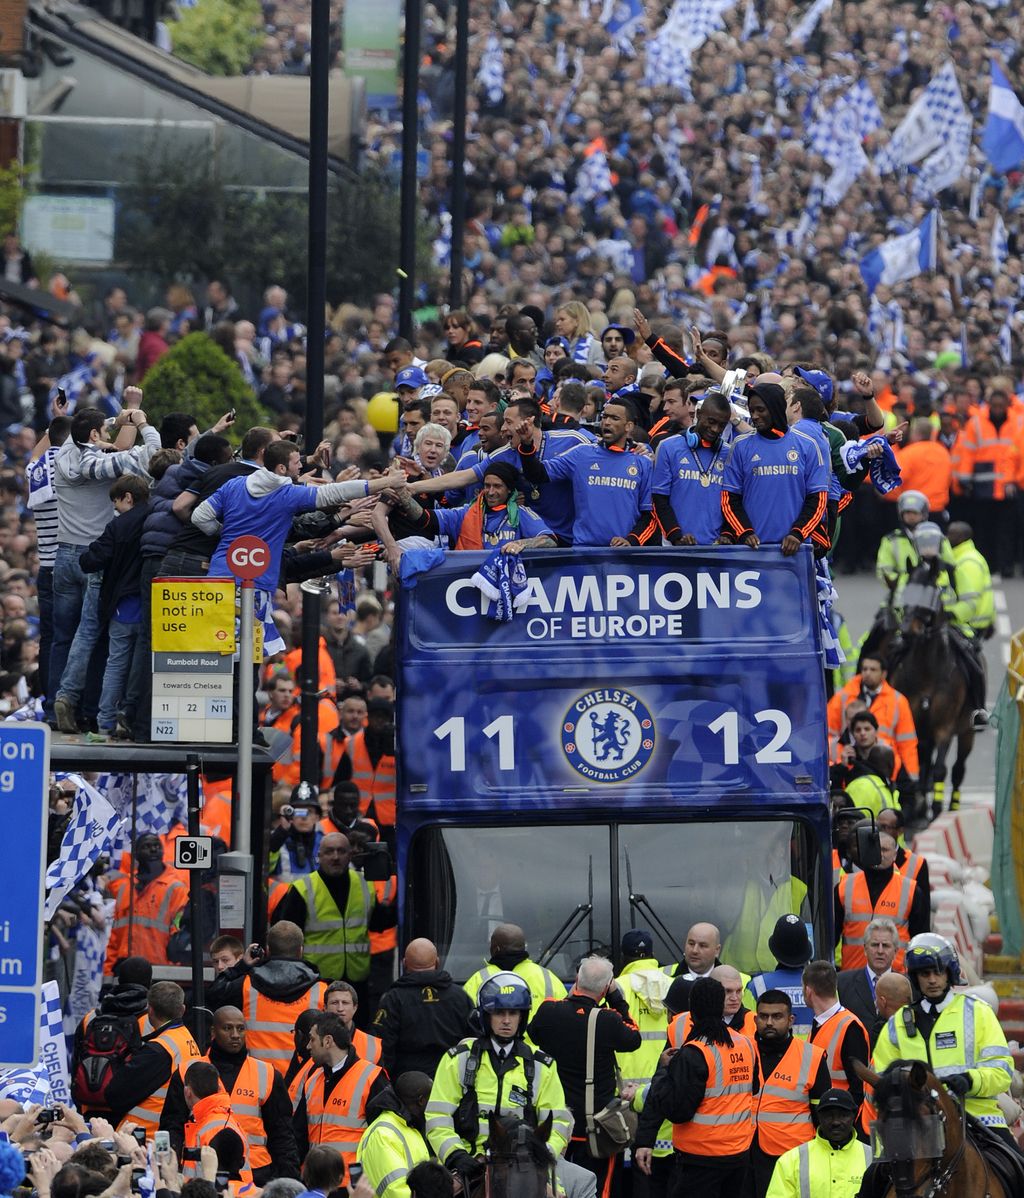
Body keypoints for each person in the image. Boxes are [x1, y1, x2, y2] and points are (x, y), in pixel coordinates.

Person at [51, 398, 160, 733]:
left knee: (61, 637)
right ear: (95, 435)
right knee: (89, 635)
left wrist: (115, 420)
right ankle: (72, 698)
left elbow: (81, 432)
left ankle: (59, 699)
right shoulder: (97, 465)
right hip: (94, 556)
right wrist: (141, 422)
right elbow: (151, 454)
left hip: (63, 554)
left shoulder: (63, 454)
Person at [425, 972, 572, 1191]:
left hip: (525, 1163)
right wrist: (455, 1155)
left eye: (513, 1013)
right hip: (469, 1162)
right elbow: (437, 1116)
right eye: (498, 1012)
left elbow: (559, 1123)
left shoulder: (542, 1065)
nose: (506, 1020)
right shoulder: (459, 1059)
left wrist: (540, 1156)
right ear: (485, 1015)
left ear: (522, 1017)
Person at [871, 936, 1016, 1145]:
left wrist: (970, 1080)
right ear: (915, 977)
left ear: (950, 973)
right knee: (872, 1178)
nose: (932, 980)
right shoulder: (896, 1025)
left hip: (977, 1118)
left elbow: (1001, 1070)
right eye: (925, 973)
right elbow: (882, 1079)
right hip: (918, 1125)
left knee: (1017, 1169)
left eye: (938, 972)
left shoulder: (977, 1012)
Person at [528, 956, 642, 1198]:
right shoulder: (608, 1020)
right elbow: (634, 1036)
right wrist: (615, 998)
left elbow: (534, 1033)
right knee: (598, 1190)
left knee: (551, 1187)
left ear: (577, 979)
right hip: (597, 1128)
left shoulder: (549, 1011)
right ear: (605, 988)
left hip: (555, 1126)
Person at [639, 977, 756, 1198]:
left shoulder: (695, 1052)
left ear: (693, 1008)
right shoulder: (745, 1044)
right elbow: (754, 1087)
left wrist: (664, 1071)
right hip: (739, 1154)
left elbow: (678, 1111)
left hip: (701, 1159)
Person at [161, 1006, 300, 1185]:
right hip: (199, 1172)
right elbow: (171, 1126)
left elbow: (282, 1134)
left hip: (255, 1175)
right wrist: (168, 1167)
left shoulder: (267, 1074)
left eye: (240, 1029)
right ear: (213, 1031)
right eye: (227, 1028)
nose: (235, 1035)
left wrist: (287, 1179)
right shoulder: (187, 1072)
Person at [515, 398, 657, 546]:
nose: (607, 422)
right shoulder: (581, 454)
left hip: (623, 554)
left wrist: (631, 541)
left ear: (628, 426)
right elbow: (537, 475)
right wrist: (526, 445)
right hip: (584, 553)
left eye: (614, 418)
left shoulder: (642, 461)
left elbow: (649, 515)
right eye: (604, 417)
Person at [274, 834, 395, 1007]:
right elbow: (286, 934)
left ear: (350, 855)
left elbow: (378, 922)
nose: (336, 857)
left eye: (341, 851)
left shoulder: (364, 884)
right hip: (317, 980)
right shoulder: (303, 888)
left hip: (357, 980)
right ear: (319, 855)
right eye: (329, 852)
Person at [719, 382, 829, 557]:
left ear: (776, 407)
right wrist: (744, 532)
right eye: (751, 410)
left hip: (794, 551)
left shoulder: (807, 445)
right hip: (751, 551)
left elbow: (818, 499)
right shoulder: (740, 446)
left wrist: (797, 534)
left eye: (760, 410)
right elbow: (729, 498)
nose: (754, 416)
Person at [206, 920, 327, 1074]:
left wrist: (242, 966)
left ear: (268, 950)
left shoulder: (245, 985)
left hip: (256, 1080)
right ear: (300, 950)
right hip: (303, 1080)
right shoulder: (322, 990)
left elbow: (212, 995)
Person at [748, 989, 830, 1198]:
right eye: (764, 1017)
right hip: (745, 1150)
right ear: (755, 1018)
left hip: (791, 1153)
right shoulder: (743, 1050)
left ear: (790, 1019)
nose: (769, 1022)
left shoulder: (811, 1056)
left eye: (777, 1017)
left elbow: (822, 1114)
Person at [389, 461, 556, 553]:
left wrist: (522, 544)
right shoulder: (466, 513)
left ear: (509, 489)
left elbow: (550, 541)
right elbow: (425, 519)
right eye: (487, 485)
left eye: (497, 486)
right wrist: (402, 494)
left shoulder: (521, 514)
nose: (490, 492)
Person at [293, 1012, 388, 1172]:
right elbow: (299, 1136)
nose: (308, 1045)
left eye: (313, 1039)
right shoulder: (313, 1079)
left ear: (328, 1041)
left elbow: (383, 1140)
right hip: (317, 1182)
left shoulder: (372, 1078)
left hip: (351, 1185)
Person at [104, 981, 202, 1135]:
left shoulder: (158, 1050)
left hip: (144, 1136)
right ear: (182, 1010)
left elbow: (114, 1093)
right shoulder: (188, 1039)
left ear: (150, 1010)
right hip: (170, 1134)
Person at [372, 938, 475, 1080]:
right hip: (452, 1079)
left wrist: (385, 1085)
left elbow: (382, 1047)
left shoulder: (393, 999)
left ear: (404, 964)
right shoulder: (460, 996)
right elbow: (474, 1040)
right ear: (437, 962)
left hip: (408, 1085)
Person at [826, 654, 919, 795]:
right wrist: (840, 759)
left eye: (873, 670)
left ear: (884, 674)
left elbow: (907, 743)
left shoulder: (898, 701)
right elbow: (826, 735)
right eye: (864, 669)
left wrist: (911, 781)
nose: (867, 673)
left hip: (885, 765)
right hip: (849, 767)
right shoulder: (843, 697)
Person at [835, 830, 927, 971]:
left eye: (885, 849)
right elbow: (831, 936)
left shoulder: (911, 890)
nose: (880, 854)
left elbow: (919, 940)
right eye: (876, 849)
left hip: (895, 978)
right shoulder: (844, 886)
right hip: (853, 976)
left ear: (895, 854)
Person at [652, 392, 732, 545]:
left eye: (722, 425)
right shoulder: (669, 447)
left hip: (716, 549)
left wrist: (727, 535)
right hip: (675, 544)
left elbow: (732, 502)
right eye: (711, 421)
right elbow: (659, 499)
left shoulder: (728, 454)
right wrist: (675, 536)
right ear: (698, 414)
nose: (715, 429)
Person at [104, 834, 188, 975]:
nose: (153, 850)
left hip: (161, 969)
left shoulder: (176, 889)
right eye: (147, 846)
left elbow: (180, 931)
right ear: (136, 854)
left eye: (157, 846)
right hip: (125, 967)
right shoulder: (125, 887)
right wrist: (107, 973)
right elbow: (115, 935)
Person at [764, 1089, 871, 1198]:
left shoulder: (874, 1159)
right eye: (829, 1116)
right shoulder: (791, 1161)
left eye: (843, 1115)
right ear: (819, 1117)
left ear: (854, 1116)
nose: (836, 1122)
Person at [464, 924, 567, 1022]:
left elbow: (465, 1022)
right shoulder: (548, 978)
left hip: (493, 1041)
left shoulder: (478, 980)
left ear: (496, 949)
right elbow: (565, 1019)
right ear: (524, 947)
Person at [802, 962, 869, 1112]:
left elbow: (859, 1087)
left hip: (840, 1121)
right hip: (827, 1118)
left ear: (808, 991)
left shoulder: (849, 1027)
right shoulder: (821, 1023)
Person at [180, 1060, 254, 1194]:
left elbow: (222, 1180)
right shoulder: (214, 1122)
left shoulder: (214, 1129)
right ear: (219, 1088)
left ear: (187, 1092)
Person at [614, 930, 674, 1092]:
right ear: (652, 954)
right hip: (667, 1083)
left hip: (625, 1089)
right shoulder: (674, 986)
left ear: (622, 957)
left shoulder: (616, 988)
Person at [356, 1073, 432, 1198]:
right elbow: (395, 1190)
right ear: (421, 1101)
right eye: (432, 1099)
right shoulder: (382, 1133)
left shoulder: (409, 1128)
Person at [746, 916, 816, 1039]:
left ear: (775, 952)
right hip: (815, 1056)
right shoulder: (821, 985)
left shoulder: (757, 985)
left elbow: (748, 1029)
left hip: (772, 1056)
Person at [836, 917, 899, 1039]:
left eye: (885, 946)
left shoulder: (906, 986)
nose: (880, 951)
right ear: (865, 949)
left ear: (895, 951)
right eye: (875, 945)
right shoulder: (842, 983)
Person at [324, 981, 382, 1064]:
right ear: (325, 1008)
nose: (340, 1008)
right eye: (334, 1003)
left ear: (355, 1008)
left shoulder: (373, 1046)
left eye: (345, 1003)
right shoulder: (315, 1042)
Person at [872, 972, 912, 1046]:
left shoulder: (881, 1032)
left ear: (883, 1002)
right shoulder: (921, 1023)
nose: (875, 1002)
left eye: (877, 998)